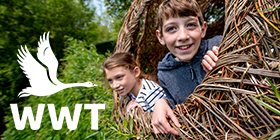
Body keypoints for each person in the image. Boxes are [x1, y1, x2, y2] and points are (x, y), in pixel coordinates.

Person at [152, 0, 222, 135]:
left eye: (190, 25)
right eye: (171, 28)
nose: (183, 36)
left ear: (203, 29)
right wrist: (160, 103)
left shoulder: (220, 45)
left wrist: (225, 60)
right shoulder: (165, 73)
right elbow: (174, 105)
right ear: (161, 37)